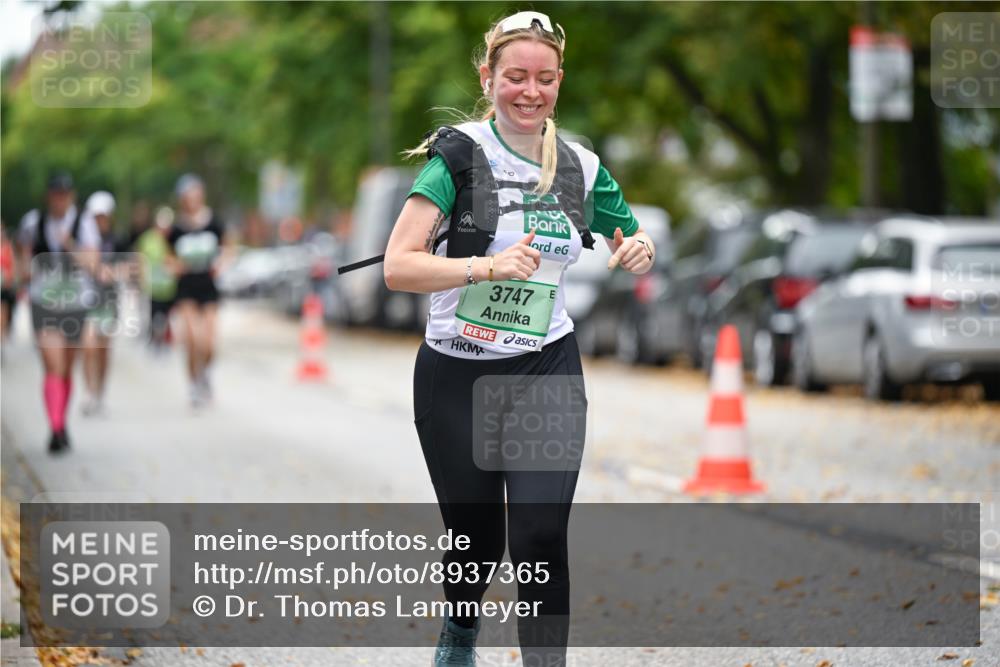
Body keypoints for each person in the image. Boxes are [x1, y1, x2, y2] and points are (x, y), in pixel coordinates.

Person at [383, 11, 656, 667]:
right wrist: (484, 267)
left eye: (545, 78)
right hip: (456, 373)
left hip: (545, 369)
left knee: (539, 535)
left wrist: (638, 248)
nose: (530, 92)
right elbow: (397, 266)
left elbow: (631, 234)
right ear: (488, 77)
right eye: (515, 77)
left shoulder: (581, 167)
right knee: (476, 539)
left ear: (559, 82)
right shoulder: (457, 158)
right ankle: (460, 634)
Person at [18, 171, 102, 454]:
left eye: (64, 194)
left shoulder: (84, 223)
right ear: (49, 196)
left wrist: (70, 245)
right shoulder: (33, 222)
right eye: (56, 194)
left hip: (76, 303)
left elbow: (93, 263)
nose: (60, 200)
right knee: (52, 365)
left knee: (66, 367)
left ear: (71, 196)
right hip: (45, 302)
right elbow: (24, 259)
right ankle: (54, 428)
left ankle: (61, 421)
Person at [167, 174, 229, 408]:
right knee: (193, 339)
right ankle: (193, 384)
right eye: (188, 195)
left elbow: (228, 247)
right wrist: (176, 266)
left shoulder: (214, 222)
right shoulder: (177, 228)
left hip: (208, 286)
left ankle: (205, 375)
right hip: (187, 287)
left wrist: (221, 263)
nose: (192, 198)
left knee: (209, 344)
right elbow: (168, 257)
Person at [81, 191, 127, 416]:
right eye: (95, 216)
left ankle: (101, 392)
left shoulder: (117, 240)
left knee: (103, 349)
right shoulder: (82, 238)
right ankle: (90, 392)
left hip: (108, 300)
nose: (99, 220)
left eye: (102, 216)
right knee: (88, 347)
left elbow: (128, 266)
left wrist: (113, 272)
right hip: (86, 298)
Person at [135, 206, 177, 354]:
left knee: (167, 316)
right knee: (153, 315)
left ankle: (164, 340)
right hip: (152, 286)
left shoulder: (173, 238)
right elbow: (140, 258)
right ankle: (154, 340)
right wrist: (141, 278)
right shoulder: (147, 239)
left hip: (170, 287)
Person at [1, 223, 18, 349]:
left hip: (5, 286)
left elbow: (12, 265)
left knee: (3, 313)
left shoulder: (7, 247)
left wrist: (11, 280)